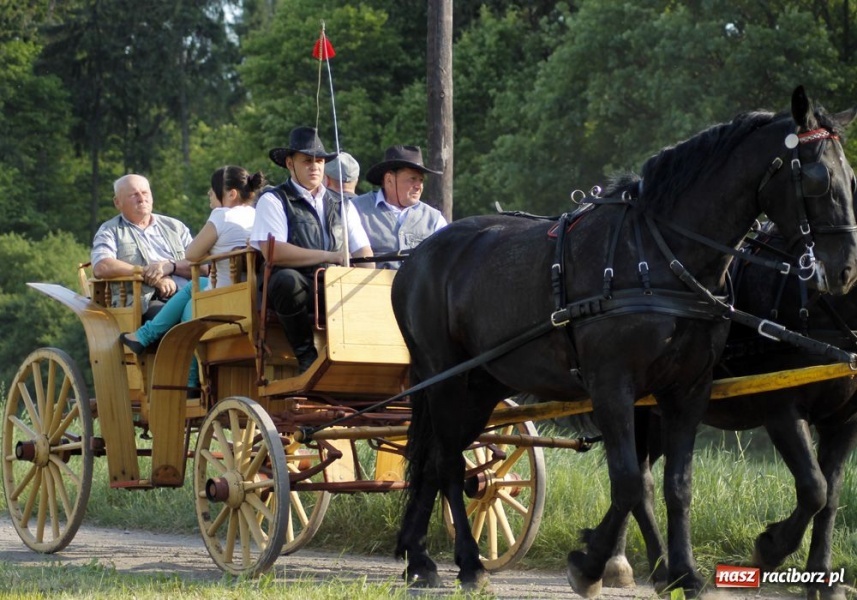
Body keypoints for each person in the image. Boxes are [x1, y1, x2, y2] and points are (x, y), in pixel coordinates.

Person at [119, 166, 265, 391]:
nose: (209, 194)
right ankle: (154, 345)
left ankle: (154, 345)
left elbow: (191, 255)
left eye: (212, 191)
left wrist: (210, 249)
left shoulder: (222, 215)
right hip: (251, 294)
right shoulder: (257, 215)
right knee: (193, 293)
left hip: (225, 297)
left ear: (231, 194)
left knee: (191, 294)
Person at [250, 126, 373, 373]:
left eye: (319, 161)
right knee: (287, 281)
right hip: (297, 289)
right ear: (289, 163)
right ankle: (306, 356)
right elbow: (274, 253)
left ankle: (364, 358)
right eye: (307, 161)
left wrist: (369, 278)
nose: (315, 166)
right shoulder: (274, 199)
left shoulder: (342, 205)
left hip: (336, 285)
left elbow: (363, 252)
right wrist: (330, 256)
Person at [91, 174, 193, 316]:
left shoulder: (175, 226)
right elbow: (102, 266)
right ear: (117, 202)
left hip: (189, 294)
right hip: (146, 301)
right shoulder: (110, 230)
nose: (141, 198)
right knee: (180, 320)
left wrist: (170, 266)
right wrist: (150, 275)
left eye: (145, 193)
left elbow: (202, 265)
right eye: (133, 195)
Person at [352, 145, 446, 269]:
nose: (419, 186)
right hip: (371, 287)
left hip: (419, 288)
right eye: (412, 179)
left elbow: (448, 259)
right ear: (389, 180)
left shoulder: (435, 219)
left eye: (421, 180)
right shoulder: (356, 209)